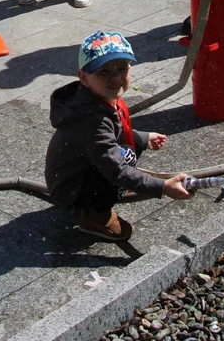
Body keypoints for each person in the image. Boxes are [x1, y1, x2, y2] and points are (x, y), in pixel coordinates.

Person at [44, 31, 191, 242]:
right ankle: (93, 215)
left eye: (122, 69)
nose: (115, 78)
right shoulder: (91, 120)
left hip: (76, 173)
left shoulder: (98, 99)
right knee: (120, 165)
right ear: (84, 78)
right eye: (104, 72)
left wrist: (142, 138)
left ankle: (94, 201)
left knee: (127, 151)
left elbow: (117, 131)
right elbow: (115, 169)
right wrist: (163, 187)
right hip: (70, 188)